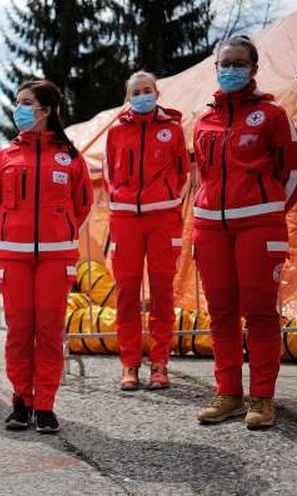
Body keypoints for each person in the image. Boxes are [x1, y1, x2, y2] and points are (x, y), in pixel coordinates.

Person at [192, 36, 297, 429]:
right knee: (221, 312)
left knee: (259, 312)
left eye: (238, 63)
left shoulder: (273, 114)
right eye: (224, 63)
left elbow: (294, 173)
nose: (230, 69)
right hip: (209, 228)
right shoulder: (203, 118)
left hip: (259, 226)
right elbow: (205, 175)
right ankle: (228, 394)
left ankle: (262, 398)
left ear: (254, 69)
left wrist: (269, 209)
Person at [0, 80, 93, 433]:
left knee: (47, 331)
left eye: (27, 102)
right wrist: (10, 236)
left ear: (46, 110)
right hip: (13, 257)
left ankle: (45, 404)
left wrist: (63, 232)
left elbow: (84, 204)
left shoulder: (70, 156)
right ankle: (21, 400)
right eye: (18, 102)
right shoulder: (4, 156)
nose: (20, 109)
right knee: (18, 331)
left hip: (57, 257)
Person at [103, 71, 188, 391]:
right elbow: (110, 174)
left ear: (157, 92)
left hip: (163, 219)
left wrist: (164, 197)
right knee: (126, 293)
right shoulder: (115, 133)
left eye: (147, 90)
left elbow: (183, 171)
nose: (142, 96)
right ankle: (129, 363)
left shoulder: (173, 129)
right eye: (135, 92)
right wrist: (121, 199)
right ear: (128, 98)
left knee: (163, 292)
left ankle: (160, 363)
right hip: (125, 219)